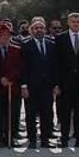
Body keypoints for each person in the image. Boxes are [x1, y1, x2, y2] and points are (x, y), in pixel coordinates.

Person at [54, 12, 79, 148]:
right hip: (65, 83)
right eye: (73, 22)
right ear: (69, 23)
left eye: (78, 22)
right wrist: (57, 84)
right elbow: (57, 63)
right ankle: (64, 139)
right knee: (65, 113)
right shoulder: (60, 38)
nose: (76, 24)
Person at [20, 18, 57, 149]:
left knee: (46, 113)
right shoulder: (25, 44)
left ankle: (45, 139)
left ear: (45, 30)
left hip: (47, 86)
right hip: (31, 86)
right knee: (30, 114)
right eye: (36, 28)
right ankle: (32, 140)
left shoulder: (51, 44)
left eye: (41, 28)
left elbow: (55, 66)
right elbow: (22, 67)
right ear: (31, 30)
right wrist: (23, 86)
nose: (39, 30)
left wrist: (55, 85)